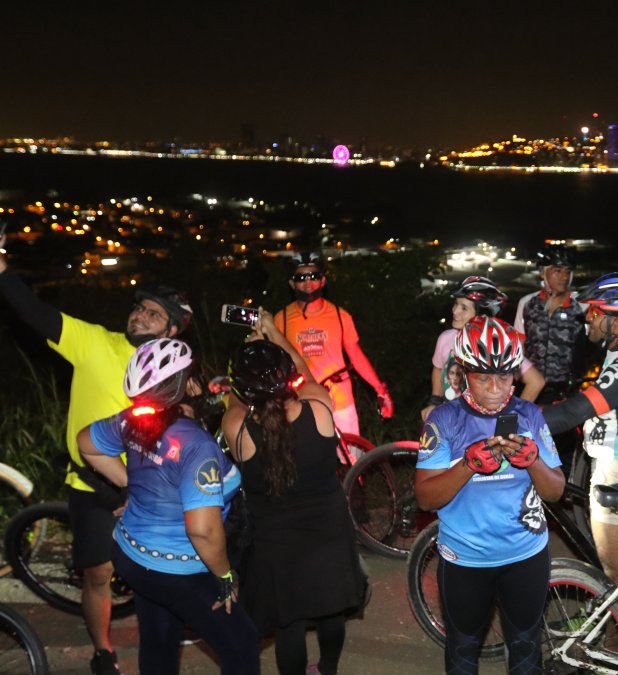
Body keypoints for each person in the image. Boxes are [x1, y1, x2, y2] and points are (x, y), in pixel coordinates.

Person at [0, 229, 192, 675]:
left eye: (154, 313)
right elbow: (32, 311)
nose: (141, 316)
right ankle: (103, 650)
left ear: (173, 329)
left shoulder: (177, 365)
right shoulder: (94, 342)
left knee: (163, 571)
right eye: (139, 308)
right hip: (92, 482)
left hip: (150, 486)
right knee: (97, 574)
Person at [78, 339, 260, 675]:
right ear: (184, 383)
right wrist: (224, 576)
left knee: (160, 641)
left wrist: (131, 485)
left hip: (130, 554)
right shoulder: (196, 446)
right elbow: (202, 530)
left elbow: (85, 443)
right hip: (177, 570)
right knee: (243, 643)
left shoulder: (132, 420)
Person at [415, 316, 564, 674]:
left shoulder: (528, 414)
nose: (496, 388)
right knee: (463, 650)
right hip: (466, 559)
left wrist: (533, 463)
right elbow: (425, 498)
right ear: (463, 372)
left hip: (525, 556)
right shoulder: (443, 420)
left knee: (527, 648)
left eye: (505, 376)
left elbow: (555, 491)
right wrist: (467, 465)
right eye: (484, 377)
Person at [223, 312, 366, 675]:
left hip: (276, 544)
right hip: (329, 534)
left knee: (290, 625)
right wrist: (275, 338)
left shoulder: (237, 428)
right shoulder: (318, 408)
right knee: (331, 611)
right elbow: (307, 374)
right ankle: (328, 669)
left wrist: (246, 365)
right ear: (288, 378)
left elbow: (236, 403)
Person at [542, 272, 618, 583]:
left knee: (617, 575)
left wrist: (513, 418)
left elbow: (572, 414)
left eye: (596, 312)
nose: (589, 317)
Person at [274, 250, 392, 438]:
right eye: (300, 277)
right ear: (291, 283)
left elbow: (356, 355)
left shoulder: (340, 315)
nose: (307, 281)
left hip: (340, 399)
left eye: (313, 275)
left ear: (323, 280)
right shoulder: (282, 319)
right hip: (302, 400)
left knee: (353, 460)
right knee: (309, 460)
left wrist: (380, 389)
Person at [421, 275, 544, 420]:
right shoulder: (446, 338)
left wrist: (512, 418)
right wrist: (435, 400)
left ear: (482, 316)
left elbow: (536, 382)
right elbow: (439, 368)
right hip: (451, 422)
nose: (455, 311)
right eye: (456, 304)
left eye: (464, 308)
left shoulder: (498, 347)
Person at [514, 244, 587, 404]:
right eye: (558, 270)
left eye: (568, 271)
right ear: (542, 272)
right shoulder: (526, 304)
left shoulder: (582, 306)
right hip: (531, 390)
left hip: (566, 393)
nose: (564, 277)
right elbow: (519, 345)